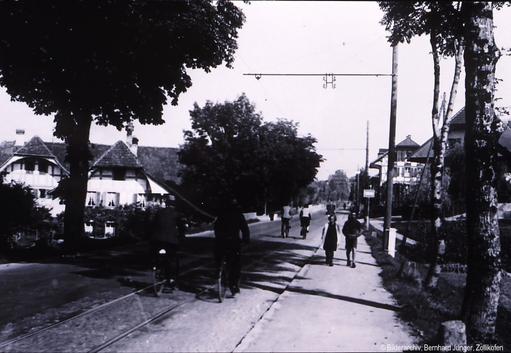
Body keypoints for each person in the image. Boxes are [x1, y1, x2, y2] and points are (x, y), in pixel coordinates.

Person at [213, 199, 250, 295]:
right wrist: (246, 240)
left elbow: (216, 228)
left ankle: (218, 274)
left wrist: (218, 238)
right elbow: (245, 229)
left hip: (221, 243)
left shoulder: (221, 215)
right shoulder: (239, 215)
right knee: (236, 264)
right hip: (233, 243)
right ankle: (233, 284)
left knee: (219, 259)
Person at [150, 196, 180, 285]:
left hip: (158, 239)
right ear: (174, 204)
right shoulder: (176, 214)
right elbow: (181, 228)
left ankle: (156, 266)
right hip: (171, 241)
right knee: (172, 258)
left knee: (156, 254)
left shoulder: (159, 212)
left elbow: (153, 224)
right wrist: (182, 236)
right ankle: (171, 278)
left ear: (166, 203)